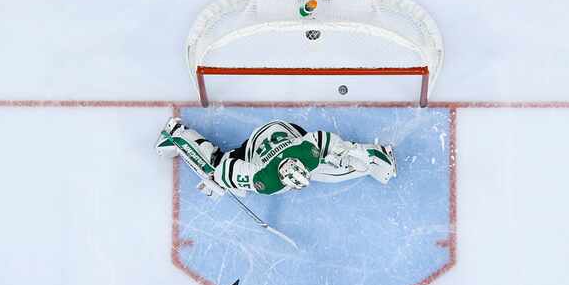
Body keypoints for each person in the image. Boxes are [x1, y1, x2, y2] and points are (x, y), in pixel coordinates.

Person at [154, 117, 396, 197]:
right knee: (213, 166)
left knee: (332, 169)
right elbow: (225, 169)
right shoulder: (264, 180)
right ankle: (177, 135)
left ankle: (374, 156)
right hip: (255, 144)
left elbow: (327, 141)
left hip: (286, 132)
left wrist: (345, 154)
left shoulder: (306, 154)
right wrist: (220, 181)